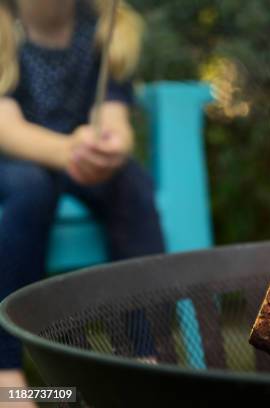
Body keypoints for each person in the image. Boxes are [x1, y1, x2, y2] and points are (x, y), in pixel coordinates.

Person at [0, 0, 164, 392]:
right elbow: (6, 128)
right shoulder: (7, 31)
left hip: (80, 157)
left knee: (131, 185)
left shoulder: (102, 33)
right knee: (31, 189)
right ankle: (5, 371)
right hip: (16, 160)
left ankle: (142, 356)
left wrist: (114, 148)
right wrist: (68, 151)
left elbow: (113, 118)